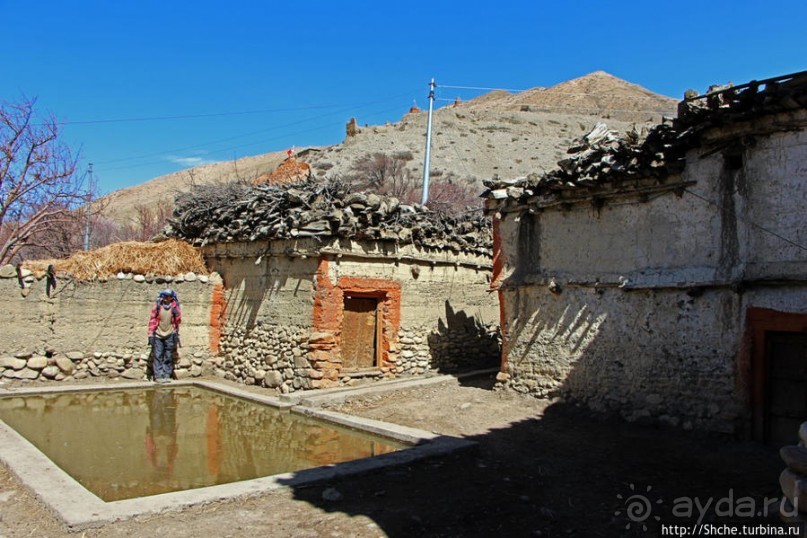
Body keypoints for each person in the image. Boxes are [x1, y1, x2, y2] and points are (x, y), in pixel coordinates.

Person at [147, 289, 182, 384]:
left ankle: (166, 375)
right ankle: (158, 376)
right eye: (165, 296)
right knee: (158, 355)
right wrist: (150, 334)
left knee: (168, 355)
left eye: (169, 296)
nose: (167, 298)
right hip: (158, 334)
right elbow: (152, 320)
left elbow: (178, 321)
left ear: (172, 297)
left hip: (170, 334)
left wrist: (177, 313)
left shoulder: (175, 307)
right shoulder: (158, 306)